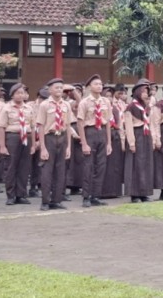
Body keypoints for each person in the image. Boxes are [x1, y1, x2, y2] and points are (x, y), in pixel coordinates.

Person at [36, 78, 74, 211]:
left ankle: (56, 200)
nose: (59, 90)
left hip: (62, 137)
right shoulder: (45, 105)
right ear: (50, 89)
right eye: (56, 87)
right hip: (49, 137)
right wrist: (42, 147)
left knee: (60, 171)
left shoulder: (66, 105)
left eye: (60, 88)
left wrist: (69, 146)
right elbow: (40, 126)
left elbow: (68, 126)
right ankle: (45, 201)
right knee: (47, 171)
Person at [76, 74, 113, 207]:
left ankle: (96, 195)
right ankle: (86, 196)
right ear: (90, 86)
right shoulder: (84, 102)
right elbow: (80, 123)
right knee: (88, 166)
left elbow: (108, 122)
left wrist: (109, 142)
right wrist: (84, 143)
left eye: (100, 84)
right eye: (96, 84)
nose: (99, 86)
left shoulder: (106, 102)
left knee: (101, 166)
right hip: (90, 132)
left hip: (102, 132)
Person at [0, 83, 34, 205]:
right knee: (11, 167)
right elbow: (1, 127)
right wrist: (2, 145)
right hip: (12, 137)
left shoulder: (29, 108)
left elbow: (33, 127)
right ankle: (11, 195)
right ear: (12, 95)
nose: (20, 95)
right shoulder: (7, 108)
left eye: (22, 93)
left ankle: (21, 195)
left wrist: (34, 144)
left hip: (26, 137)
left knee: (24, 167)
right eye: (17, 93)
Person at [123, 79, 155, 203]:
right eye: (143, 91)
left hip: (146, 135)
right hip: (137, 135)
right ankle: (134, 194)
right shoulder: (131, 107)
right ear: (137, 92)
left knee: (145, 165)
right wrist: (131, 142)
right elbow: (129, 126)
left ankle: (144, 192)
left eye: (147, 91)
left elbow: (150, 122)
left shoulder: (145, 106)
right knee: (136, 165)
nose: (145, 93)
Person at [100, 84, 126, 198]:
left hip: (115, 136)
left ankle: (114, 190)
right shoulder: (99, 107)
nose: (109, 98)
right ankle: (102, 191)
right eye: (106, 96)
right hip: (103, 135)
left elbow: (119, 124)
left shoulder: (115, 109)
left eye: (110, 96)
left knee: (115, 165)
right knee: (103, 164)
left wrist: (122, 139)